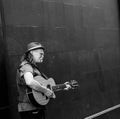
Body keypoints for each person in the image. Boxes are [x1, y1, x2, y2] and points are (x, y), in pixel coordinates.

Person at [16, 42, 71, 119]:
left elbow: (44, 88)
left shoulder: (33, 67)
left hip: (36, 108)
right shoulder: (26, 66)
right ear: (31, 53)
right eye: (40, 54)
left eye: (43, 54)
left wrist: (63, 86)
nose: (43, 56)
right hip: (29, 110)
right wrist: (45, 91)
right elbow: (30, 82)